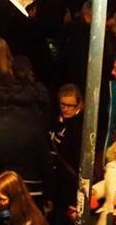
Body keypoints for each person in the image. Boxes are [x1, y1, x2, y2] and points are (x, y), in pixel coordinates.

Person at [46, 85, 83, 223]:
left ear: (78, 105)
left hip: (69, 185)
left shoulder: (80, 126)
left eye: (70, 105)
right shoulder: (54, 121)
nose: (66, 109)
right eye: (63, 104)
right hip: (55, 182)